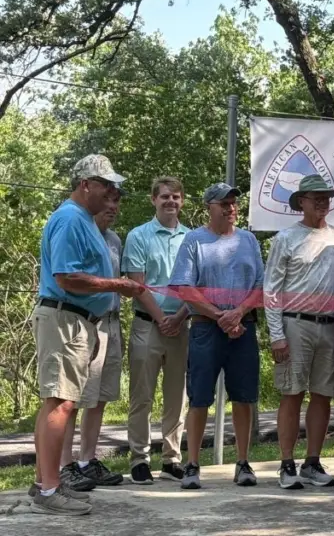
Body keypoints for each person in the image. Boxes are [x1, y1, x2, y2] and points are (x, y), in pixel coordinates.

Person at [29, 154, 144, 516]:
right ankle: (49, 490)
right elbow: (66, 278)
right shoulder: (69, 220)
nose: (111, 192)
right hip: (64, 318)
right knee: (60, 401)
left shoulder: (84, 221)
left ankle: (46, 482)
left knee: (60, 401)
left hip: (77, 321)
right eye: (106, 185)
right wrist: (118, 285)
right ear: (85, 185)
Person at [169, 183, 265, 490]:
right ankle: (193, 464)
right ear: (208, 206)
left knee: (244, 397)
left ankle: (243, 462)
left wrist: (237, 313)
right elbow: (184, 288)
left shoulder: (249, 240)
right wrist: (219, 315)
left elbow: (261, 288)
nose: (231, 208)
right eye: (223, 203)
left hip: (243, 328)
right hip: (205, 328)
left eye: (234, 203)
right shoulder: (194, 241)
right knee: (199, 398)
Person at [264, 175, 334, 490]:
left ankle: (312, 462)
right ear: (301, 201)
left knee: (324, 395)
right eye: (316, 197)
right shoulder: (284, 238)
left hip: (333, 326)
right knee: (292, 393)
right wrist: (276, 334)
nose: (322, 201)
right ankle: (287, 464)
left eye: (326, 196)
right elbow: (271, 289)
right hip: (295, 324)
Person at [123, 176, 191, 485]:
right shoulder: (138, 236)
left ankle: (171, 459)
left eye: (176, 197)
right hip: (147, 325)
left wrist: (177, 318)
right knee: (142, 396)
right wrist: (162, 318)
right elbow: (137, 284)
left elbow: (196, 287)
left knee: (177, 396)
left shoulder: (192, 239)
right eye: (165, 196)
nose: (170, 201)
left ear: (182, 201)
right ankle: (139, 458)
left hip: (182, 324)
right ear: (154, 200)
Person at [60, 186, 126, 489]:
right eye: (108, 200)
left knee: (99, 397)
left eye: (117, 202)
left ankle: (87, 460)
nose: (112, 207)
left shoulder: (114, 240)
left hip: (111, 321)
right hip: (83, 322)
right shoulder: (79, 230)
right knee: (70, 398)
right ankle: (65, 464)